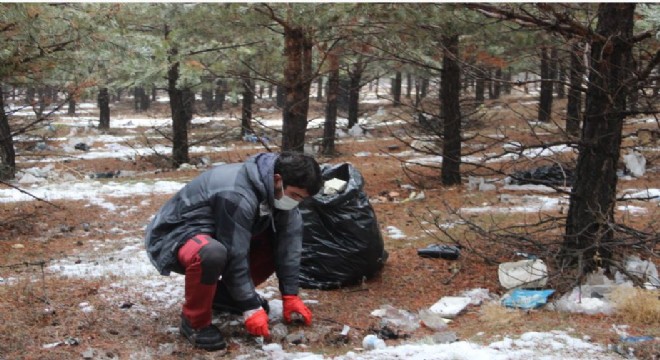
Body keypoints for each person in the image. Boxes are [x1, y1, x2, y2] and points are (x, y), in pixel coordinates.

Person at [144, 151, 322, 351]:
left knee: (271, 241)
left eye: (302, 198)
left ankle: (225, 296)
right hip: (174, 236)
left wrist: (290, 295)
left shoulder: (278, 191)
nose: (296, 201)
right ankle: (194, 321)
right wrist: (250, 306)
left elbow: (289, 243)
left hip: (219, 233)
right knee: (211, 253)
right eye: (295, 195)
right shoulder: (237, 193)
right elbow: (235, 253)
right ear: (277, 179)